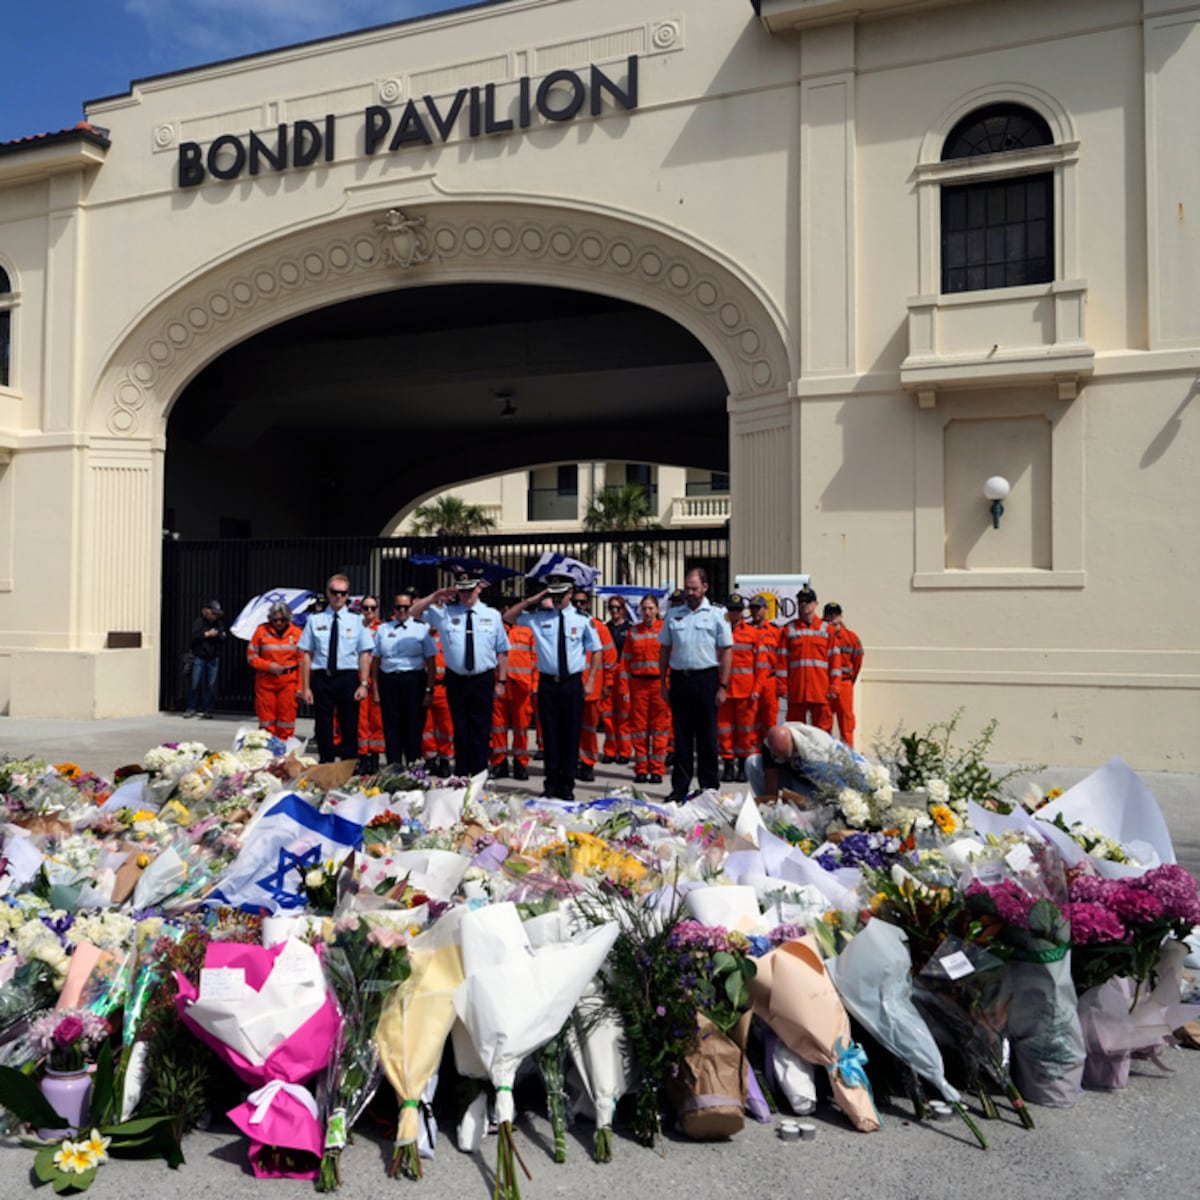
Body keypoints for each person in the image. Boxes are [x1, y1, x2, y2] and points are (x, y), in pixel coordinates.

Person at [503, 575, 601, 802]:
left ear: (570, 593)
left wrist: (590, 681)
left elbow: (596, 650)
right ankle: (551, 784)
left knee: (570, 736)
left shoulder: (582, 619)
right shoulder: (539, 618)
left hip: (572, 683)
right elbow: (508, 617)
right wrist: (533, 600)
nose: (556, 599)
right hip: (548, 683)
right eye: (553, 594)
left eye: (561, 594)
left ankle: (567, 785)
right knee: (550, 735)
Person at [409, 572, 510, 777]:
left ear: (479, 589)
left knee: (481, 730)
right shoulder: (445, 613)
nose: (466, 595)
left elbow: (502, 650)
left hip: (482, 678)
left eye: (470, 590)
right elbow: (414, 612)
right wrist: (435, 596)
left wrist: (501, 680)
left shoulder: (492, 615)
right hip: (456, 679)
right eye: (462, 590)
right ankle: (462, 775)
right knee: (460, 728)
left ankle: (479, 774)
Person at [658, 568, 733, 801]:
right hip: (680, 679)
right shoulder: (674, 614)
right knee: (681, 736)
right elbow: (664, 649)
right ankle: (680, 788)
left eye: (694, 588)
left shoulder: (717, 614)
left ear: (705, 588)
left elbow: (727, 650)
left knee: (707, 736)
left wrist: (723, 686)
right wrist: (662, 683)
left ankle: (709, 787)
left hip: (706, 679)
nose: (690, 593)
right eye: (687, 588)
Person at [298, 574, 375, 762]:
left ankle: (347, 765)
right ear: (327, 593)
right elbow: (306, 654)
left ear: (347, 595)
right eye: (334, 592)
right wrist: (305, 687)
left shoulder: (357, 620)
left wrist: (364, 683)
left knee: (349, 723)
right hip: (322, 678)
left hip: (347, 678)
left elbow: (364, 654)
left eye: (343, 593)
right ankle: (326, 763)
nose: (338, 596)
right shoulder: (315, 620)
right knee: (323, 725)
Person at [372, 590, 438, 769]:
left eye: (406, 607)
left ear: (411, 608)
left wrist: (429, 690)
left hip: (413, 681)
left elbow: (431, 661)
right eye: (398, 607)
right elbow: (376, 661)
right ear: (393, 608)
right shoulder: (383, 629)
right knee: (391, 726)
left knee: (413, 727)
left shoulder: (421, 629)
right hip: (389, 681)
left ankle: (414, 768)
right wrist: (375, 690)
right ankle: (393, 767)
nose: (402, 611)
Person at [746, 721, 860, 804]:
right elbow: (771, 781)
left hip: (815, 784)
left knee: (812, 811)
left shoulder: (813, 755)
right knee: (752, 762)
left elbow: (838, 790)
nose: (779, 759)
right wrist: (771, 805)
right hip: (792, 776)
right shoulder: (771, 745)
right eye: (776, 756)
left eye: (784, 756)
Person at [620, 593, 669, 784]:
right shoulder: (633, 632)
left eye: (650, 608)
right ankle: (641, 769)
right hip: (638, 685)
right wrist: (625, 689)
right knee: (639, 730)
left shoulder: (665, 630)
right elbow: (625, 663)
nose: (647, 612)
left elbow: (671, 660)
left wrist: (668, 685)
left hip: (659, 684)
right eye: (644, 608)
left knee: (659, 730)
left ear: (657, 610)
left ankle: (657, 769)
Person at [717, 592, 764, 783]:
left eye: (737, 610)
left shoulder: (753, 634)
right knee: (724, 731)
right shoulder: (719, 631)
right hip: (725, 690)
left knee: (746, 732)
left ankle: (743, 767)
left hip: (746, 691)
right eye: (731, 609)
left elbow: (761, 665)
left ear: (742, 611)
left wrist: (757, 689)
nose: (734, 613)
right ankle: (728, 765)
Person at [490, 599, 538, 780]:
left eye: (509, 606)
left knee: (521, 727)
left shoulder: (527, 631)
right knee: (498, 727)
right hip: (499, 684)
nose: (506, 609)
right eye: (503, 606)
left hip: (521, 686)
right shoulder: (495, 630)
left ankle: (520, 763)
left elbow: (535, 659)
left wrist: (535, 685)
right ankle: (499, 763)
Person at [782, 585, 838, 734]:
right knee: (795, 731)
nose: (804, 604)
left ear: (816, 604)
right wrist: (782, 686)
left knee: (822, 732)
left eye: (808, 601)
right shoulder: (789, 629)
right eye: (801, 601)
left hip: (821, 690)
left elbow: (835, 662)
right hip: (797, 689)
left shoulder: (827, 630)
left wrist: (834, 686)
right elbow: (782, 662)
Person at [574, 589, 617, 782]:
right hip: (570, 685)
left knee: (588, 729)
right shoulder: (565, 623)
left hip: (592, 688)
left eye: (582, 602)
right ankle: (571, 762)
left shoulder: (599, 627)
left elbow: (610, 657)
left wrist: (608, 683)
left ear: (589, 605)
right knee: (569, 728)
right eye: (575, 602)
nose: (578, 606)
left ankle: (587, 763)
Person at [245, 600, 302, 739]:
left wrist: (300, 687)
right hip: (266, 682)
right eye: (275, 620)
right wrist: (268, 666)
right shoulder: (261, 631)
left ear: (288, 619)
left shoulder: (297, 633)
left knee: (286, 720)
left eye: (282, 620)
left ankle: (285, 746)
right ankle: (266, 747)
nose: (278, 623)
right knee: (266, 721)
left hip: (288, 682)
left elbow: (302, 662)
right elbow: (251, 656)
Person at [824, 602, 863, 748]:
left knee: (846, 721)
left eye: (835, 614)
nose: (832, 617)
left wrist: (850, 680)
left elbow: (858, 659)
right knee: (824, 720)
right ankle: (825, 753)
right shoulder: (820, 635)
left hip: (844, 683)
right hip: (825, 683)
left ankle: (848, 753)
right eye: (829, 614)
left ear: (841, 616)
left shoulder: (850, 637)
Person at [748, 594, 786, 742]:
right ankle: (753, 750)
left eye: (758, 608)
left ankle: (770, 750)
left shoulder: (775, 631)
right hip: (751, 681)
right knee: (751, 718)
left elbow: (782, 659)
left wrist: (781, 684)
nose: (755, 612)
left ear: (765, 609)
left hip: (770, 680)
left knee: (770, 717)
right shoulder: (746, 630)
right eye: (752, 608)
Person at [355, 596, 385, 772]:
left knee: (377, 719)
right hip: (359, 677)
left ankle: (374, 756)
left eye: (373, 608)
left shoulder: (383, 628)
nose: (369, 611)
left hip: (377, 678)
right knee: (360, 719)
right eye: (366, 608)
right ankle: (361, 756)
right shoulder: (355, 627)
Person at [602, 595, 632, 762]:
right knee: (607, 716)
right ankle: (610, 751)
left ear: (624, 610)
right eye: (611, 608)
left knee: (624, 716)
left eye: (617, 608)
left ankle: (625, 751)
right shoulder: (605, 628)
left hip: (623, 675)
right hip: (607, 674)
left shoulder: (630, 629)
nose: (614, 611)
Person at [184, 600, 226, 718]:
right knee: (195, 683)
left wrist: (220, 635)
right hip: (199, 656)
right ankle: (191, 707)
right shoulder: (199, 622)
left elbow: (222, 636)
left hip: (213, 657)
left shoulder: (218, 623)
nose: (215, 616)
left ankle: (208, 709)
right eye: (214, 614)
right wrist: (207, 634)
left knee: (210, 685)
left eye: (217, 614)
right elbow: (194, 637)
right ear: (208, 612)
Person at [422, 629, 454, 777]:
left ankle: (445, 760)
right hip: (425, 686)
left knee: (446, 727)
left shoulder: (448, 636)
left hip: (444, 687)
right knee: (426, 726)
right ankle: (429, 758)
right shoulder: (421, 635)